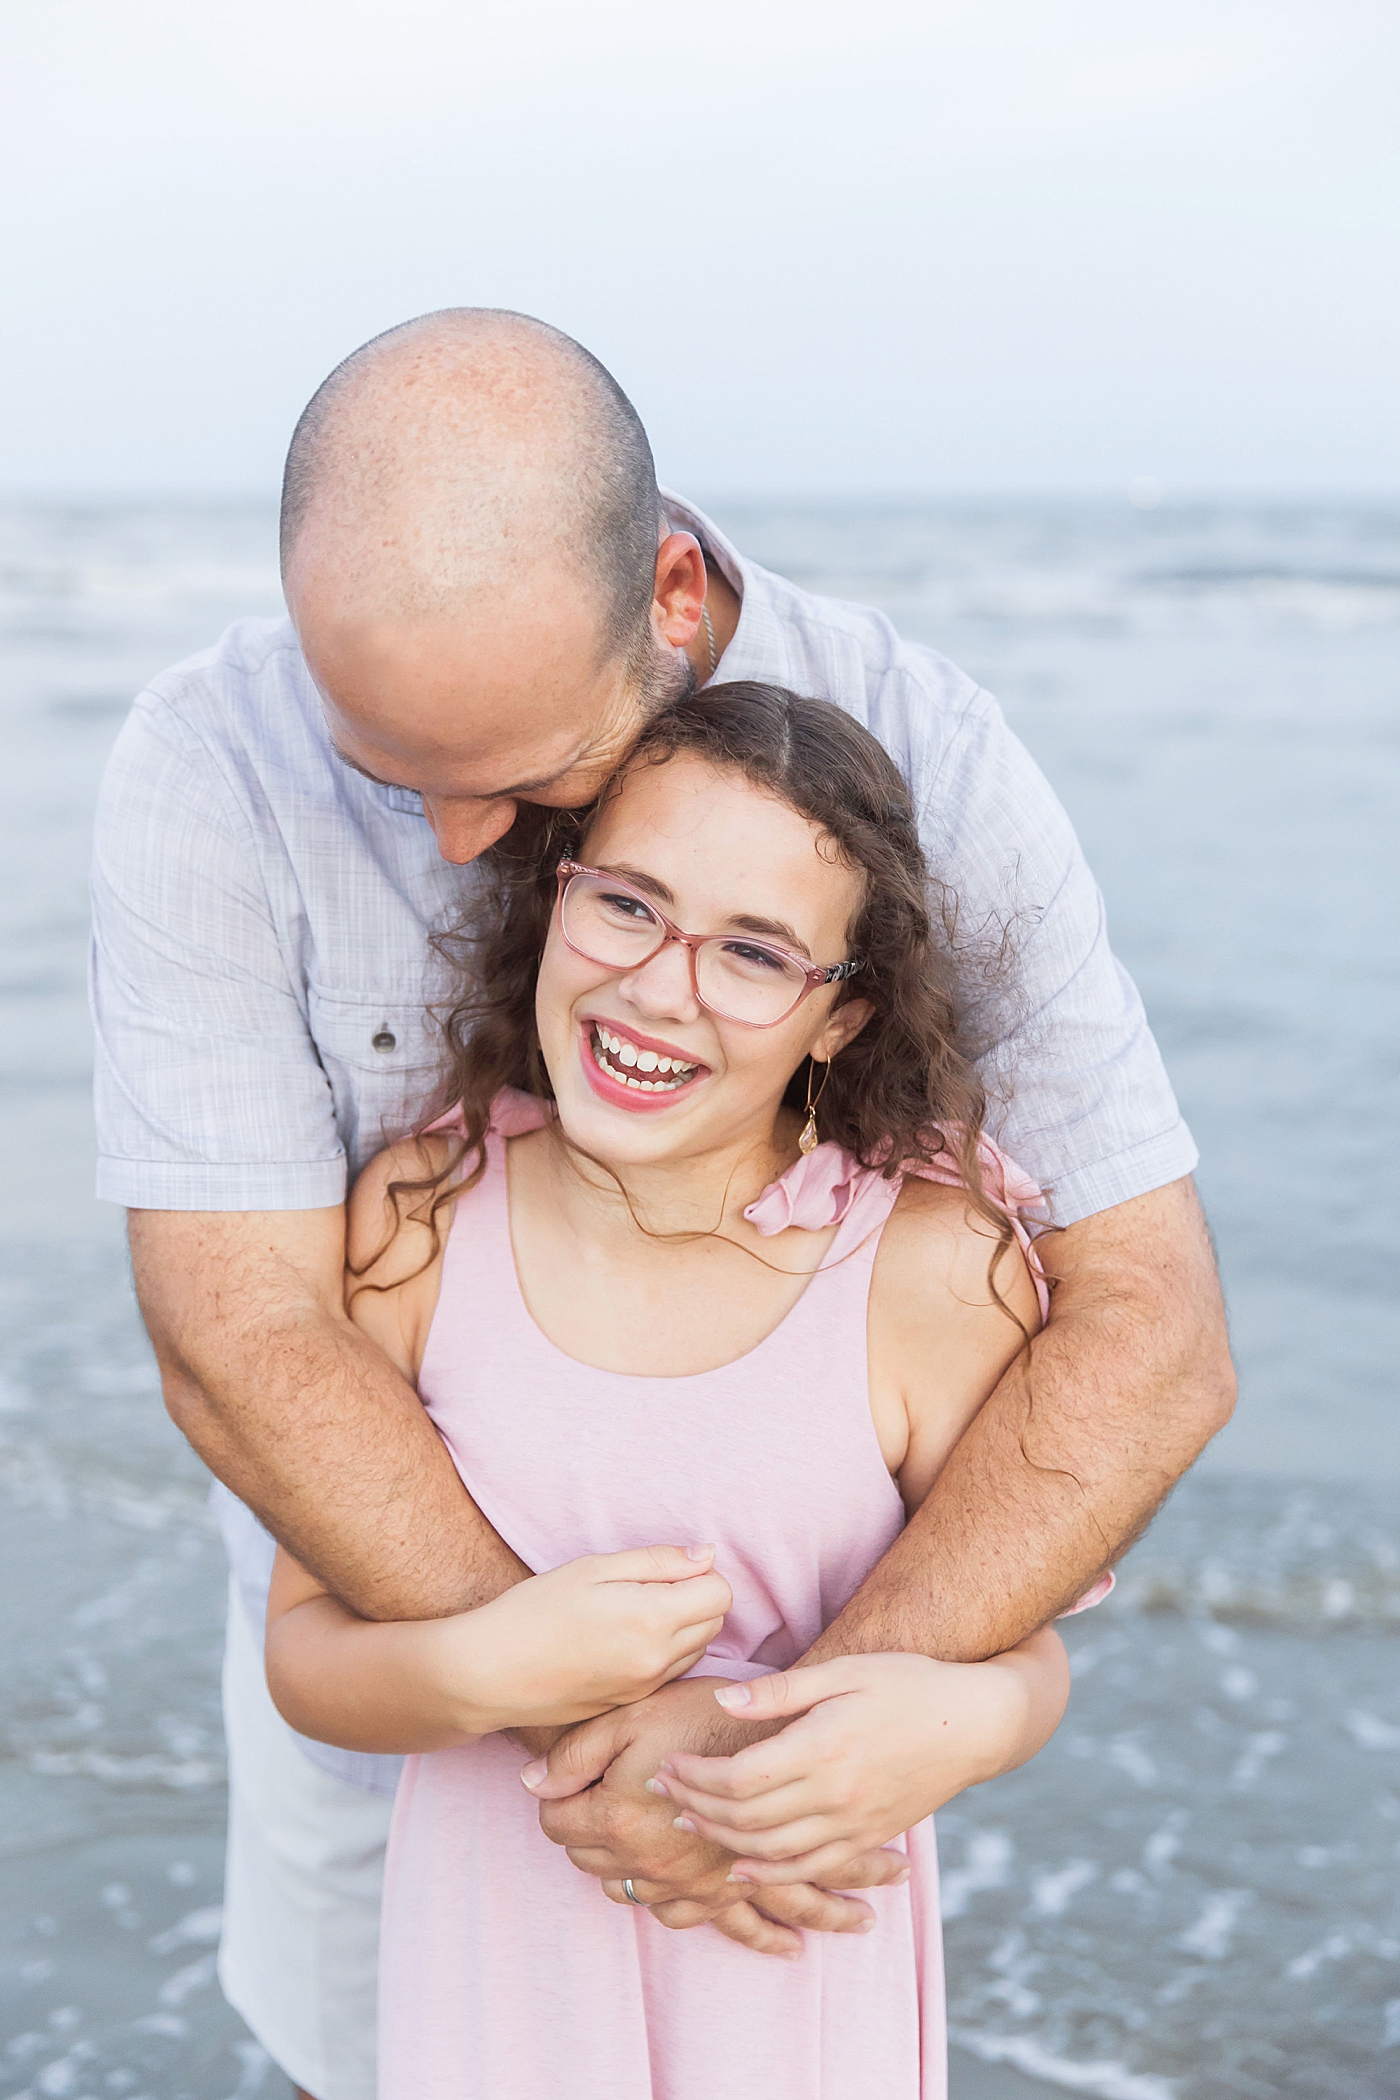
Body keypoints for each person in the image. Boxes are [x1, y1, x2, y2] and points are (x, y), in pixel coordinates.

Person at [90, 308, 1234, 2100]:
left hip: (802, 1812)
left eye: (530, 781)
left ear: (676, 603)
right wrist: (573, 1719)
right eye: (394, 775)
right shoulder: (208, 762)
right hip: (414, 1738)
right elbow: (237, 1338)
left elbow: (1151, 1334)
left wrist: (762, 1770)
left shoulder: (926, 746)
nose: (465, 846)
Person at [265, 685, 1085, 2100]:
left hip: (787, 1967)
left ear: (844, 1017)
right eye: (628, 906)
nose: (662, 986)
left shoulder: (930, 1265)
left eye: (757, 953)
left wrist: (956, 1729)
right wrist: (481, 1665)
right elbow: (305, 1659)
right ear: (555, 897)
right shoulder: (422, 1211)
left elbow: (1021, 1652)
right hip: (497, 1979)